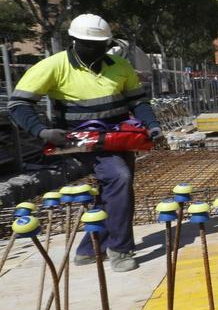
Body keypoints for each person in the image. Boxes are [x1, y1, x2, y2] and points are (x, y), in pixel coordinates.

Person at [7, 14, 161, 272]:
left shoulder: (119, 66)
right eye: (90, 44)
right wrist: (42, 131)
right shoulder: (53, 66)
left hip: (118, 137)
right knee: (119, 178)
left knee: (115, 191)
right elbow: (19, 104)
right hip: (79, 139)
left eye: (101, 44)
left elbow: (138, 102)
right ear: (75, 41)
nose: (96, 49)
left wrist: (151, 124)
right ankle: (121, 250)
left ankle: (90, 249)